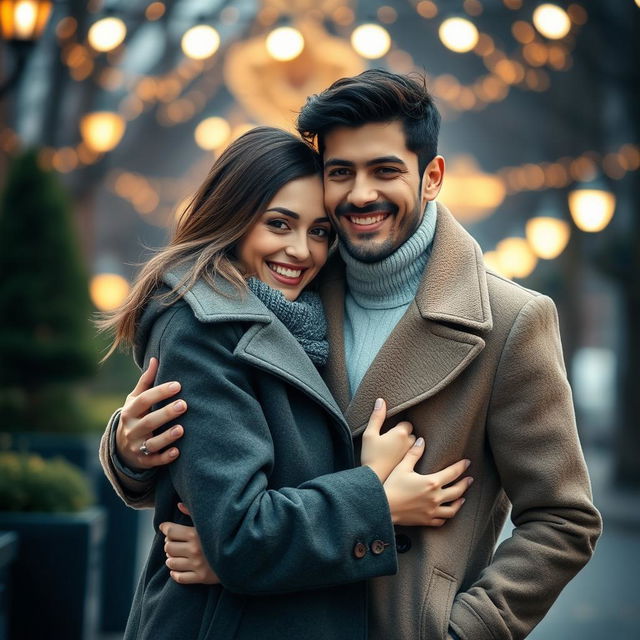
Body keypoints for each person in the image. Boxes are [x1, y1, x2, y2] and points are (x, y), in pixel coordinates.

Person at [102, 71, 602, 640]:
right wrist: (131, 451)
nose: (360, 194)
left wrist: (464, 629)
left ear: (431, 176)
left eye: (385, 170)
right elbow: (230, 468)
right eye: (341, 172)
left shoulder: (510, 322)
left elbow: (564, 519)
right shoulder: (291, 288)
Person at [99, 125, 473, 640]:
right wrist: (378, 500)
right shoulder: (203, 329)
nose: (301, 251)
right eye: (279, 224)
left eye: (320, 231)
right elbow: (240, 535)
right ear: (234, 218)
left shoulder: (309, 319)